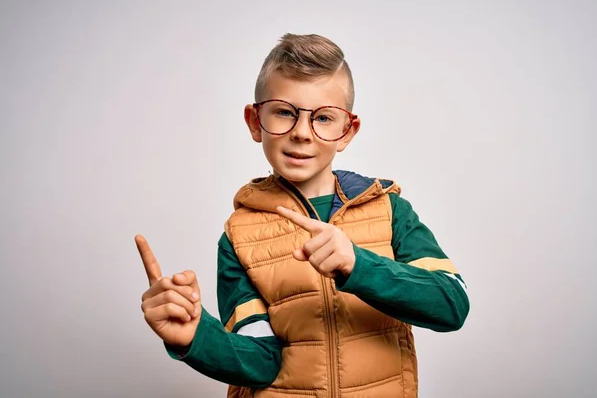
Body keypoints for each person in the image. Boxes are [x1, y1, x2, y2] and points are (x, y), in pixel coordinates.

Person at [135, 33, 470, 398]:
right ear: (254, 120)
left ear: (347, 131)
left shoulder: (390, 210)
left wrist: (358, 265)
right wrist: (195, 336)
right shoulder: (239, 235)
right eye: (283, 112)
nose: (301, 133)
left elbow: (451, 305)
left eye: (323, 118)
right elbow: (261, 361)